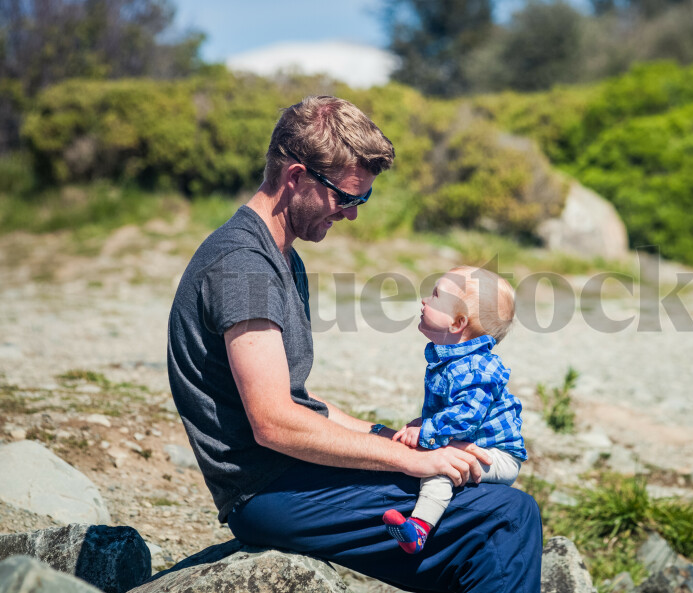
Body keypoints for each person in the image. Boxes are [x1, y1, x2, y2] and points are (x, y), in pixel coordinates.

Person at [166, 96, 542, 592]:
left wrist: (382, 435)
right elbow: (273, 422)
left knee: (479, 519)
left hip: (292, 477)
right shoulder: (244, 267)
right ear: (296, 177)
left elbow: (300, 401)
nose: (352, 214)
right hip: (272, 492)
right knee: (504, 517)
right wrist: (412, 459)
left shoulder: (279, 258)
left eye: (361, 200)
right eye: (346, 198)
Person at [383, 266, 526, 555]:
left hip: (498, 454)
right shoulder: (456, 360)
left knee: (441, 469)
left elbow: (465, 416)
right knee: (435, 454)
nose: (424, 300)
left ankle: (419, 529)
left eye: (435, 296)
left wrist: (427, 431)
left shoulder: (473, 368)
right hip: (477, 440)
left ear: (458, 321)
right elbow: (453, 411)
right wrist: (424, 422)